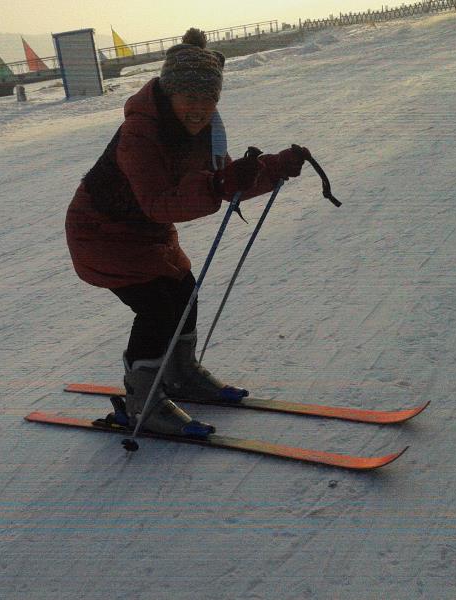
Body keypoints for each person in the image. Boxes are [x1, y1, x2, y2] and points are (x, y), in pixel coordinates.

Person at [65, 28, 307, 437]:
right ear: (169, 93)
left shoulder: (207, 131)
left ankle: (179, 375)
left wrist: (272, 168)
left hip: (145, 235)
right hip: (100, 233)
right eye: (189, 97)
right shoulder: (140, 133)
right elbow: (159, 201)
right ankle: (141, 403)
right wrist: (217, 184)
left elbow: (225, 180)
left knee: (183, 290)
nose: (199, 108)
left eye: (208, 98)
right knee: (158, 306)